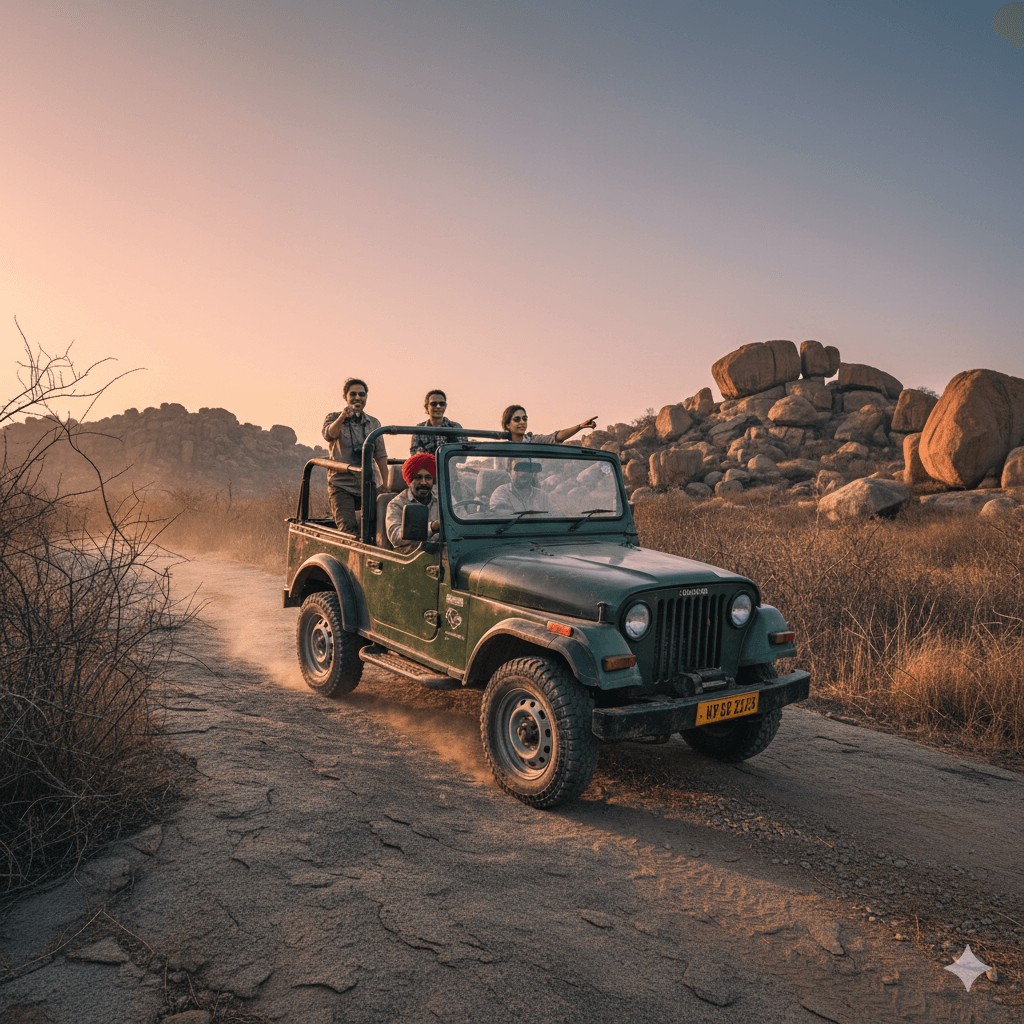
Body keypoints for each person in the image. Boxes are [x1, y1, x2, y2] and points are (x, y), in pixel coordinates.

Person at [322, 377, 388, 535]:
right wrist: (343, 416)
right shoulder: (333, 417)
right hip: (341, 484)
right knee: (348, 531)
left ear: (366, 397)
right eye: (353, 394)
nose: (357, 398)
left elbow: (380, 454)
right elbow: (329, 435)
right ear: (345, 397)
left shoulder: (374, 423)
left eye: (362, 394)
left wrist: (386, 483)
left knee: (374, 530)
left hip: (367, 483)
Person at [386, 453, 441, 553]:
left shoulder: (442, 499)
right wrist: (432, 527)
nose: (424, 482)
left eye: (428, 478)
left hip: (441, 555)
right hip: (410, 557)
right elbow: (395, 537)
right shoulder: (396, 504)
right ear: (410, 480)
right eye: (418, 477)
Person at [500, 405, 598, 445]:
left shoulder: (533, 440)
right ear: (508, 424)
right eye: (517, 419)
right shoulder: (501, 447)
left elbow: (555, 437)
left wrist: (580, 426)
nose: (522, 422)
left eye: (524, 419)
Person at [409, 389, 467, 455]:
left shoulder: (456, 427)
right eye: (434, 404)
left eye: (442, 404)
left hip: (450, 465)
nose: (438, 407)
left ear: (445, 406)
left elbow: (463, 455)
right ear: (426, 406)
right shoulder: (419, 430)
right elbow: (414, 455)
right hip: (427, 465)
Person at [489, 460, 555, 515]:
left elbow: (555, 515)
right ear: (509, 472)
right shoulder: (501, 493)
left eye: (527, 469)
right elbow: (503, 518)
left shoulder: (542, 495)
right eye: (518, 468)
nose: (523, 473)